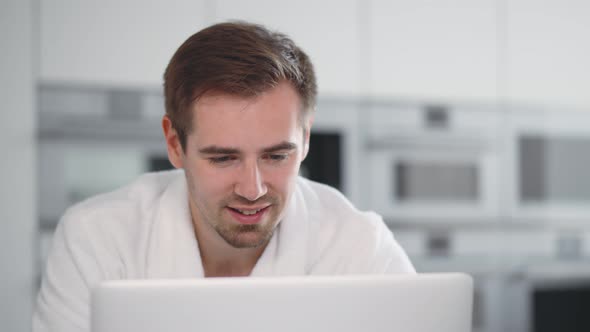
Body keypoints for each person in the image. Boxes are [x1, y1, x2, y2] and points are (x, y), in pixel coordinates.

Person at [33, 21, 415, 332]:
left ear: (306, 138)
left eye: (277, 155)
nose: (253, 189)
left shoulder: (360, 247)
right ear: (174, 143)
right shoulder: (98, 239)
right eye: (223, 158)